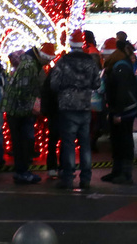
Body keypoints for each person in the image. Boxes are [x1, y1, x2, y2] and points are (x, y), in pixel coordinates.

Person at [49, 36, 102, 191]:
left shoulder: (63, 62)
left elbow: (54, 84)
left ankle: (68, 178)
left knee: (68, 143)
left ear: (70, 45)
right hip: (85, 107)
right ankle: (86, 178)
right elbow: (97, 83)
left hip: (67, 107)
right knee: (85, 143)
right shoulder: (90, 62)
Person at [4, 48, 44, 184]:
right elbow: (24, 90)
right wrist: (32, 106)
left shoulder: (24, 64)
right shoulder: (30, 66)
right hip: (21, 111)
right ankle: (23, 172)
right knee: (24, 141)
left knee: (19, 142)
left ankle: (20, 171)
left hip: (14, 110)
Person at [102, 42, 137, 184]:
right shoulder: (118, 65)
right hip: (120, 109)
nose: (102, 54)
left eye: (104, 51)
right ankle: (117, 171)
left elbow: (121, 91)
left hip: (124, 111)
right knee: (118, 140)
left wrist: (117, 113)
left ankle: (125, 173)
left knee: (124, 140)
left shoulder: (120, 67)